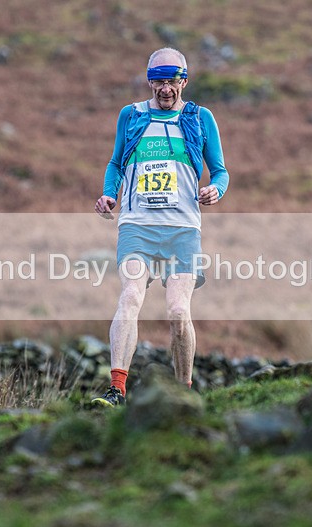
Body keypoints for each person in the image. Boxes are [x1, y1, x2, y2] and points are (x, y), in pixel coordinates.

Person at [91, 47, 230, 407]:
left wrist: (217, 189)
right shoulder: (132, 115)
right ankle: (117, 388)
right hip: (137, 225)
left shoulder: (200, 117)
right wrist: (109, 195)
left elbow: (220, 170)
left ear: (184, 80)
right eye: (158, 83)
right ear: (149, 82)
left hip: (182, 230)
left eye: (172, 82)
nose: (165, 90)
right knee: (131, 296)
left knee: (178, 311)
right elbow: (116, 163)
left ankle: (183, 393)